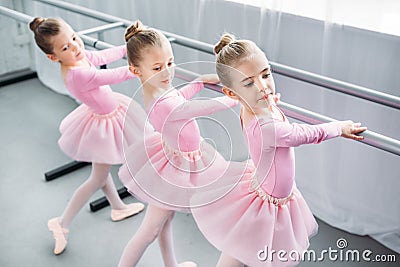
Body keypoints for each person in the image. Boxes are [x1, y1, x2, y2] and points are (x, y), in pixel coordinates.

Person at [190, 33, 368, 267]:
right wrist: (339, 127)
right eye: (249, 82)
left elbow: (264, 104)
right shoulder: (265, 127)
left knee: (241, 249)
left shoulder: (253, 105)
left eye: (266, 74)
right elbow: (303, 134)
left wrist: (269, 101)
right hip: (267, 203)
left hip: (268, 190)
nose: (263, 86)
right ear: (232, 93)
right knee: (254, 253)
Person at [118, 21, 249, 267]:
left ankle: (171, 264)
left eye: (170, 63)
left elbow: (180, 95)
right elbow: (198, 108)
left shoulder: (159, 90)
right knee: (149, 230)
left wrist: (199, 82)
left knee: (162, 224)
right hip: (174, 168)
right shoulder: (162, 102)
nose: (167, 72)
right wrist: (235, 97)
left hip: (175, 158)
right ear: (136, 70)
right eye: (158, 67)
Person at [29, 17, 147, 255]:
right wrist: (144, 65)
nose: (75, 46)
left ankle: (117, 207)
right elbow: (111, 76)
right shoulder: (76, 74)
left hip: (107, 114)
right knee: (97, 177)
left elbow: (103, 57)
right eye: (65, 47)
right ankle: (61, 222)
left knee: (101, 173)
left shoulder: (79, 57)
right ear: (53, 57)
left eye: (74, 37)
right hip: (101, 124)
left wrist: (130, 47)